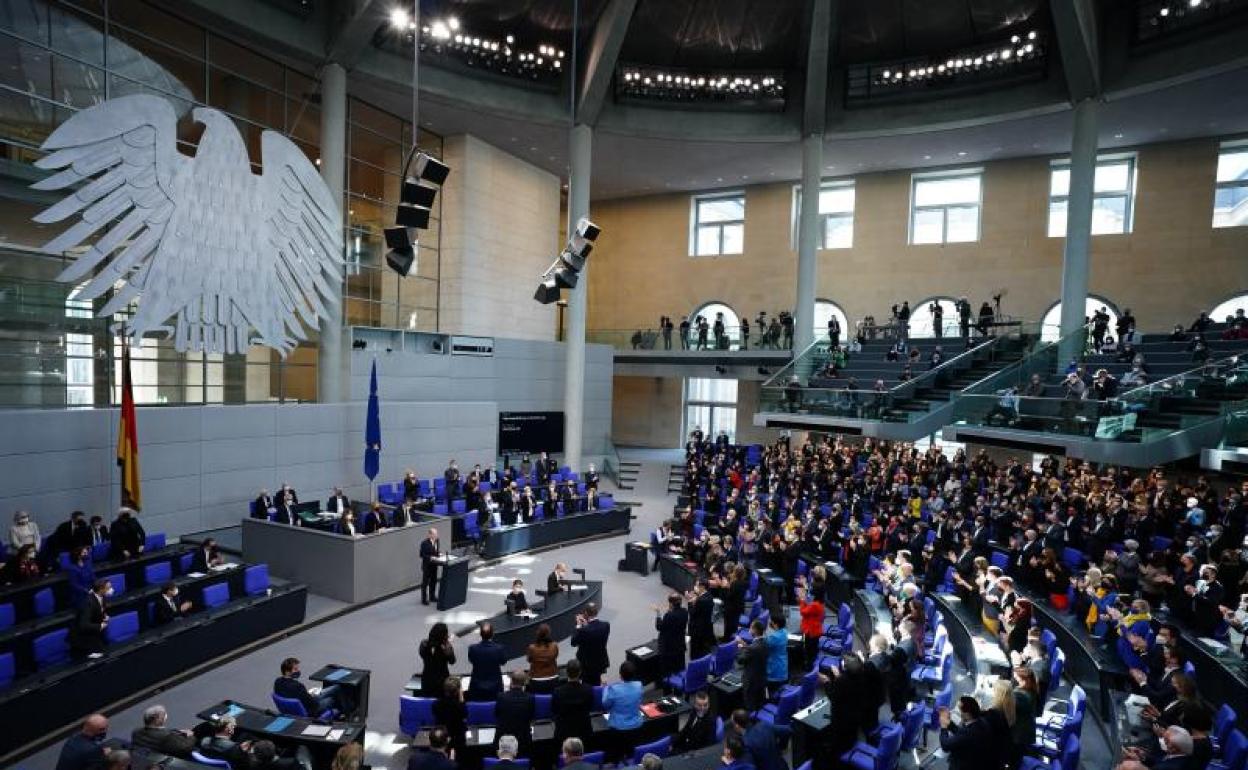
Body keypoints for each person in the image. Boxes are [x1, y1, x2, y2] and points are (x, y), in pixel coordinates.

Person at [274, 656, 350, 717]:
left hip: (298, 706)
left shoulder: (277, 682)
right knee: (333, 697)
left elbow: (298, 696)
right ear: (287, 672)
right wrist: (311, 696)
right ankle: (346, 714)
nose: (298, 671)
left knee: (334, 688)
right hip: (311, 710)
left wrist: (309, 695)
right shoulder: (298, 686)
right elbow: (313, 704)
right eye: (295, 669)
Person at [939, 696, 998, 770]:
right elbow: (962, 735)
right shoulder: (982, 722)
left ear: (967, 714)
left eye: (959, 710)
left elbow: (946, 745)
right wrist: (950, 724)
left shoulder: (968, 732)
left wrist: (943, 727)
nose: (957, 712)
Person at [601, 661, 643, 762]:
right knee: (631, 754)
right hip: (636, 726)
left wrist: (605, 687)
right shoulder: (639, 685)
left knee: (616, 754)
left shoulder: (613, 689)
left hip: (618, 729)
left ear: (620, 675)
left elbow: (605, 705)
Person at [495, 671, 536, 758]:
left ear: (511, 681)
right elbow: (531, 717)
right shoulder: (530, 698)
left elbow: (497, 714)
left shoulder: (501, 697)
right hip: (523, 740)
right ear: (524, 683)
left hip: (503, 740)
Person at [130, 704, 195, 758]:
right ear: (159, 720)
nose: (165, 716)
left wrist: (176, 732)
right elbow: (185, 749)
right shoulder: (167, 736)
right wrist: (191, 736)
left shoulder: (136, 731)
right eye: (164, 715)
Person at [69, 577, 111, 658]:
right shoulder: (88, 603)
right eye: (108, 588)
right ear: (101, 589)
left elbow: (99, 611)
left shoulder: (102, 596)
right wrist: (100, 626)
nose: (111, 590)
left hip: (93, 635)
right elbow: (84, 625)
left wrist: (104, 616)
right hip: (81, 640)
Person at [571, 602, 610, 685]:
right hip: (600, 662)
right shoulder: (606, 625)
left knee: (587, 686)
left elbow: (573, 642)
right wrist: (586, 625)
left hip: (586, 666)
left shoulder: (583, 631)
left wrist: (578, 625)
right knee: (597, 684)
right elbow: (593, 631)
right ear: (597, 612)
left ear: (585, 613)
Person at [467, 622, 507, 701]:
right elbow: (503, 662)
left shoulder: (473, 648)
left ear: (480, 634)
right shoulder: (499, 648)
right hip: (495, 686)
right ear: (492, 634)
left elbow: (471, 660)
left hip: (477, 686)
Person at [655, 592, 688, 681]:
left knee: (667, 672)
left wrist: (658, 614)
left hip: (668, 648)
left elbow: (659, 627)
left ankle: (667, 692)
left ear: (671, 604)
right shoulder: (685, 612)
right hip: (680, 645)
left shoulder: (669, 616)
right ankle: (679, 690)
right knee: (680, 669)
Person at [737, 620, 768, 712]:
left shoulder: (752, 648)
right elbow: (753, 652)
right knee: (758, 703)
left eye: (750, 627)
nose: (749, 630)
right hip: (761, 679)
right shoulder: (765, 642)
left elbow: (740, 660)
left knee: (749, 705)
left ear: (754, 630)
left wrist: (740, 649)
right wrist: (745, 645)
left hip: (751, 681)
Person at [434, 676, 467, 760]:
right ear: (458, 692)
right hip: (458, 738)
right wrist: (462, 699)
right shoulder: (460, 707)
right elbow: (465, 715)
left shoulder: (436, 704)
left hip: (442, 735)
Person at [419, 622, 456, 697]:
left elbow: (422, 655)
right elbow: (452, 661)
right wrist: (448, 647)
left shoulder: (424, 644)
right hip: (442, 681)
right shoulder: (446, 648)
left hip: (427, 679)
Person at [687, 579, 717, 660]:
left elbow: (692, 613)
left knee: (695, 649)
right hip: (705, 625)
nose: (695, 587)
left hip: (697, 628)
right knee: (703, 646)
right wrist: (695, 598)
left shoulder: (700, 600)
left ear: (702, 586)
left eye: (697, 585)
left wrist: (689, 601)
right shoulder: (709, 595)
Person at [764, 614, 788, 697]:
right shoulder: (784, 631)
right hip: (782, 664)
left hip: (774, 667)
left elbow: (763, 644)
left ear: (776, 624)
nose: (770, 623)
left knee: (772, 692)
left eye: (772, 622)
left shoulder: (774, 637)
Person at [419, 528, 441, 606]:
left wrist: (439, 555)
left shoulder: (437, 541)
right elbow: (422, 555)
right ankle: (424, 599)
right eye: (435, 534)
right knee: (425, 583)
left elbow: (436, 551)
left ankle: (432, 597)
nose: (436, 535)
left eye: (436, 534)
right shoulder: (424, 543)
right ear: (430, 535)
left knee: (433, 581)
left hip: (434, 565)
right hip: (427, 566)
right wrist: (431, 557)